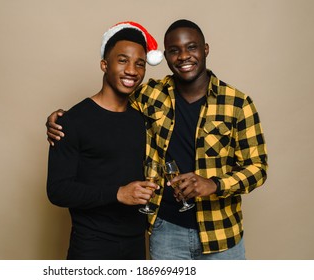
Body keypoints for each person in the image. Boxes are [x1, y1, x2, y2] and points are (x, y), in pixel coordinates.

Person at [46, 19, 268, 260]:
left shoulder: (238, 103)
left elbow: (258, 167)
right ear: (166, 56)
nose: (184, 56)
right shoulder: (151, 95)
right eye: (174, 51)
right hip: (166, 233)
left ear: (205, 49)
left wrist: (214, 184)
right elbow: (106, 106)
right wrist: (61, 119)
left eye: (192, 47)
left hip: (222, 234)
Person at [46, 21, 164, 260]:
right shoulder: (71, 121)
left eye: (139, 64)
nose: (132, 70)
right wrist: (118, 194)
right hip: (91, 247)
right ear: (104, 64)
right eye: (123, 60)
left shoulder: (142, 120)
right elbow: (57, 190)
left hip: (135, 245)